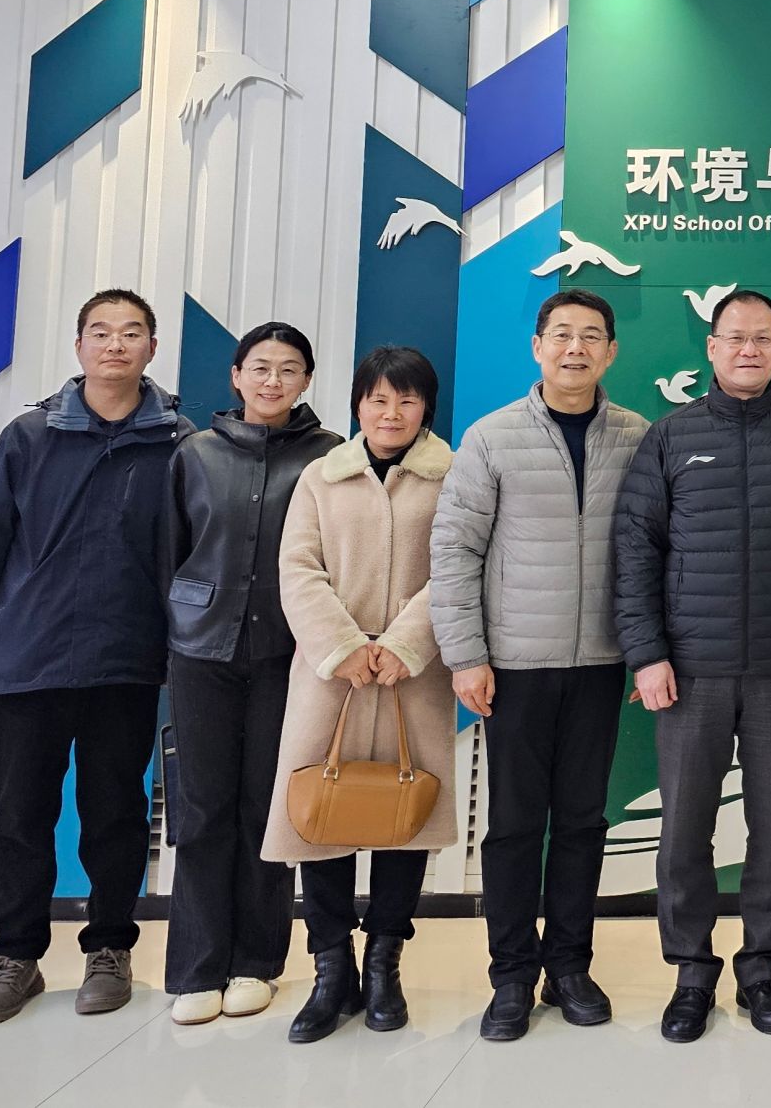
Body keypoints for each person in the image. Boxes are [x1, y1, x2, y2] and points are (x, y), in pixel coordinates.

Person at [615, 288, 771, 1043]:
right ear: (712, 348)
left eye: (763, 338)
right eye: (735, 337)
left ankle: (761, 969)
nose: (749, 349)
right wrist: (647, 653)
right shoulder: (670, 436)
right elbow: (635, 552)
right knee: (684, 831)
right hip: (690, 673)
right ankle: (691, 972)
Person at [0, 289, 192, 1026]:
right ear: (79, 346)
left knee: (115, 813)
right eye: (101, 331)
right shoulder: (28, 436)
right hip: (31, 658)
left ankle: (109, 947)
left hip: (127, 658)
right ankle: (15, 958)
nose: (115, 344)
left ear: (152, 348)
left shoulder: (178, 442)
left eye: (131, 332)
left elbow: (192, 553)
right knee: (21, 816)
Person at [429, 290, 651, 1043]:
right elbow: (454, 551)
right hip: (515, 665)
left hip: (601, 663)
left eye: (591, 336)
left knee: (584, 822)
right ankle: (512, 975)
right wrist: (466, 655)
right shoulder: (492, 437)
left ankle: (570, 967)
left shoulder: (637, 437)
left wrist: (645, 649)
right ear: (537, 346)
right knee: (516, 825)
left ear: (611, 350)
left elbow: (655, 552)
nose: (575, 348)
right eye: (561, 334)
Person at [262, 347, 458, 1044]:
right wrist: (342, 645)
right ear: (357, 405)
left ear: (426, 407)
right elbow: (297, 568)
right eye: (377, 399)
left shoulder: (454, 476)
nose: (391, 413)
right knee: (322, 816)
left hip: (414, 674)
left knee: (405, 814)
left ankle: (383, 963)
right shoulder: (322, 475)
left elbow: (458, 568)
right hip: (331, 675)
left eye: (406, 400)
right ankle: (331, 970)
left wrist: (403, 644)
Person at [160, 322, 340, 1025]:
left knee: (269, 807)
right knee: (202, 807)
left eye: (289, 368)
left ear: (306, 380)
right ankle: (197, 967)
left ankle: (257, 962)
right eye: (260, 367)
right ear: (236, 376)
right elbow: (170, 551)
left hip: (287, 656)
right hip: (200, 650)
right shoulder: (194, 453)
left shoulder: (329, 455)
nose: (273, 380)